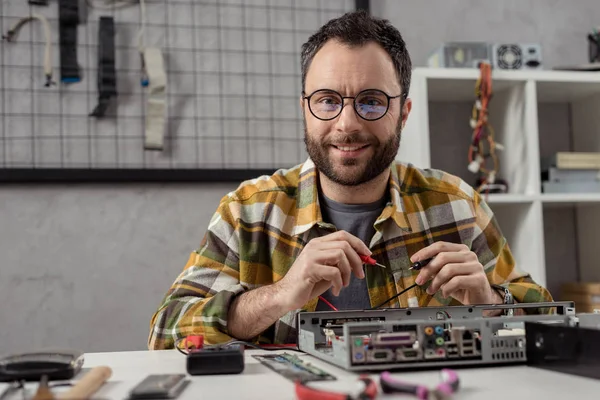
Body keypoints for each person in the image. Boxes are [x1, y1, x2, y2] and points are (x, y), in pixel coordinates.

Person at [147, 11, 552, 349]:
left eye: (371, 102)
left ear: (404, 113)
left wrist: (491, 303)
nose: (346, 124)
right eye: (327, 101)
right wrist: (278, 295)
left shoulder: (458, 205)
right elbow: (165, 331)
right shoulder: (248, 212)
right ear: (305, 109)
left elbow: (549, 320)